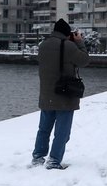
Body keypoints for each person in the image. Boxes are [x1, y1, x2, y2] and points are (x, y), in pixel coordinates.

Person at [31, 18, 90, 170]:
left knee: (43, 129)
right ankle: (54, 160)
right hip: (64, 95)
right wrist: (79, 42)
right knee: (61, 132)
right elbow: (84, 60)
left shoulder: (43, 45)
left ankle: (38, 157)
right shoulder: (69, 46)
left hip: (46, 94)